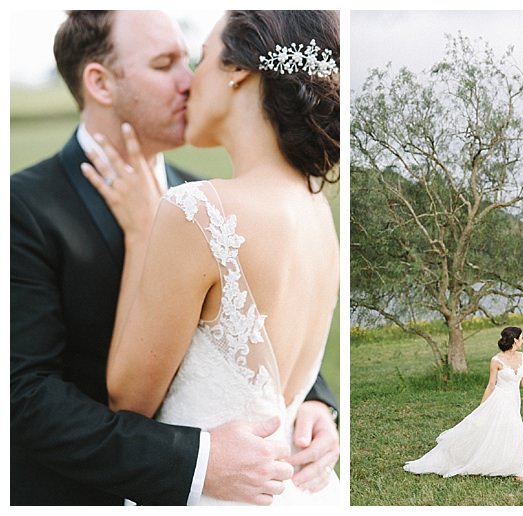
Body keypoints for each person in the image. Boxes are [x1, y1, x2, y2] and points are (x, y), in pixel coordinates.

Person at [10, 10, 338, 506]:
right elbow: (25, 398)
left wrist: (315, 405)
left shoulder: (205, 202)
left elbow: (254, 325)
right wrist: (196, 460)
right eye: (166, 65)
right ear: (99, 83)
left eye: (192, 60)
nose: (188, 82)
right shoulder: (23, 206)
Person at [403, 327, 523, 481]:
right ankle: (519, 472)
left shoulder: (521, 356)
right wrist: (482, 408)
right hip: (500, 401)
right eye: (521, 338)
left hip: (514, 400)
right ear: (515, 340)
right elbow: (491, 385)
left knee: (513, 433)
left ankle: (510, 466)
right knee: (517, 432)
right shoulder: (496, 361)